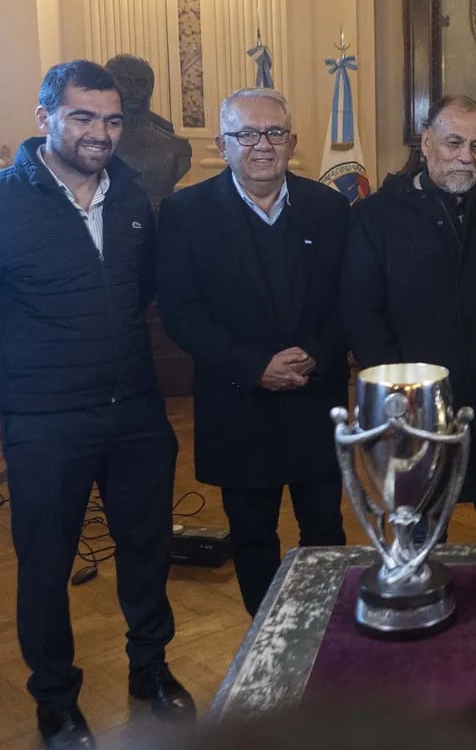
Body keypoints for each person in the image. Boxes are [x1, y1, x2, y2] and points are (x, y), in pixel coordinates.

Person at [0, 60, 193, 749]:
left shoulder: (130, 198)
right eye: (83, 116)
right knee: (45, 564)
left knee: (147, 551)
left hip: (136, 415)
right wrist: (24, 381)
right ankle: (55, 702)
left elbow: (138, 294)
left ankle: (149, 670)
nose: (100, 133)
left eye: (112, 119)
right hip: (44, 424)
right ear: (46, 119)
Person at [156, 88, 348, 616]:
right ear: (223, 143)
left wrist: (313, 353)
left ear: (293, 142)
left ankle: (324, 631)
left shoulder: (330, 208)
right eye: (247, 134)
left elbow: (350, 300)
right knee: (252, 533)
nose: (261, 145)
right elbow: (181, 312)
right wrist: (254, 367)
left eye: (274, 133)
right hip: (238, 406)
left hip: (315, 399)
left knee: (326, 528)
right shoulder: (184, 213)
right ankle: (264, 643)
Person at [341, 95, 476, 542]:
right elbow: (364, 315)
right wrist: (399, 398)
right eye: (454, 142)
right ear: (426, 141)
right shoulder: (376, 217)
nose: (466, 157)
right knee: (420, 537)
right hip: (415, 415)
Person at [103, 54, 192, 210]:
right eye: (124, 82)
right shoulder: (95, 142)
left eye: (141, 83)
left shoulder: (176, 147)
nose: (134, 91)